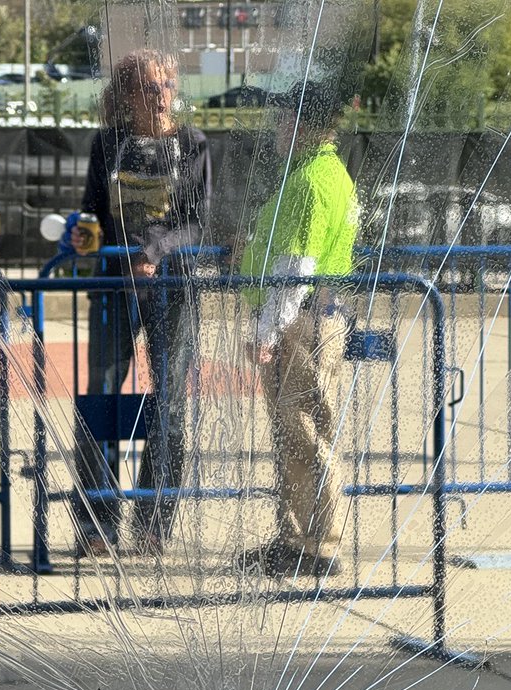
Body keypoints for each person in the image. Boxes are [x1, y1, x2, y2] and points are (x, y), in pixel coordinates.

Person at [71, 49, 212, 555]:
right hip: (114, 285)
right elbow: (90, 211)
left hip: (173, 288)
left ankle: (154, 521)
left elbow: (197, 223)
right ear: (127, 95)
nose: (161, 96)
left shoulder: (192, 143)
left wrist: (154, 252)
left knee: (170, 403)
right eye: (150, 87)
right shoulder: (106, 144)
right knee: (102, 396)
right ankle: (97, 521)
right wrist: (83, 235)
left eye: (168, 85)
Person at [240, 81, 357, 578]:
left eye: (286, 119)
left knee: (307, 435)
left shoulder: (312, 181)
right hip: (307, 318)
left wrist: (268, 331)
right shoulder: (319, 173)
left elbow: (297, 266)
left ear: (307, 125)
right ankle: (296, 538)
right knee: (295, 434)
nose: (279, 128)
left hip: (304, 322)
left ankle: (320, 545)